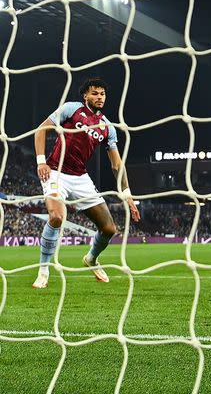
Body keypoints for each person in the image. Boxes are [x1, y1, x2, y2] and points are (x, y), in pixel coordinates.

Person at [33, 78, 140, 289]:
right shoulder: (71, 109)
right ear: (86, 95)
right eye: (95, 93)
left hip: (81, 178)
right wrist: (41, 162)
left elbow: (117, 164)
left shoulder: (107, 127)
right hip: (55, 172)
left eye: (102, 94)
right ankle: (43, 270)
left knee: (109, 228)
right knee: (56, 217)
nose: (99, 97)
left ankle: (91, 259)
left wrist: (127, 194)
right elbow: (41, 129)